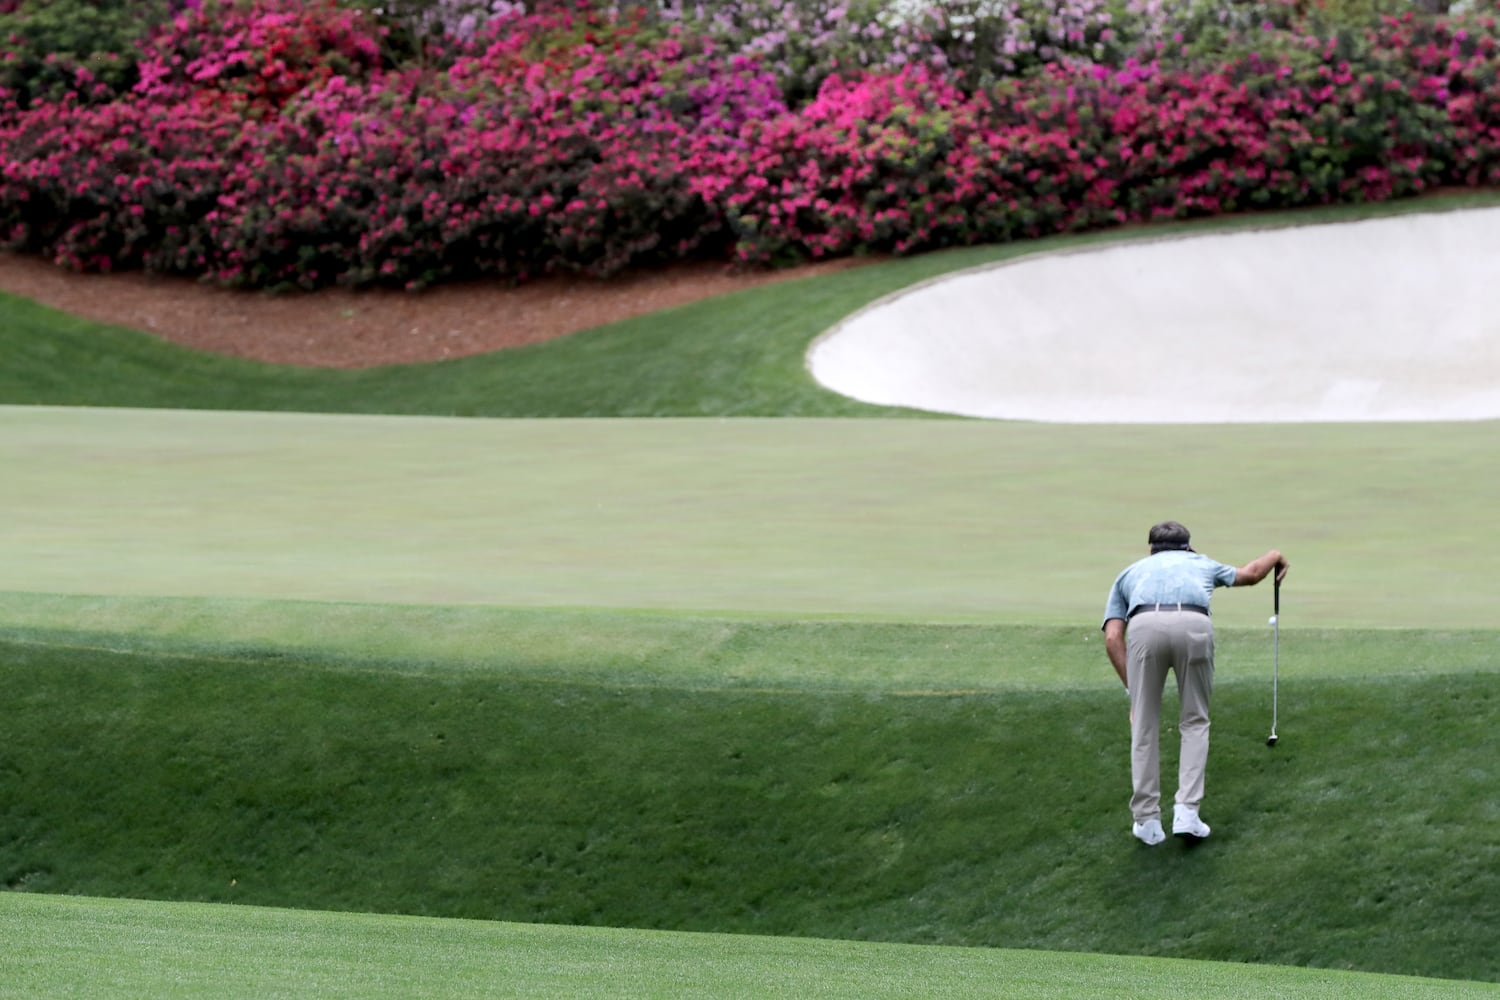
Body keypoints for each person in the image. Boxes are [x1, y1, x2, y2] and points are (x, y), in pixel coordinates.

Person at [1101, 521, 1287, 846]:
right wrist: (1275, 555)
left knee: (1144, 724)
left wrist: (1134, 692)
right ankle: (1187, 813)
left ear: (1150, 549)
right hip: (1194, 625)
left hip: (1144, 625)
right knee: (1194, 720)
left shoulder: (1130, 572)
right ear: (1188, 546)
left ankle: (1147, 822)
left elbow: (1113, 637)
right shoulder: (1201, 563)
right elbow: (1251, 574)